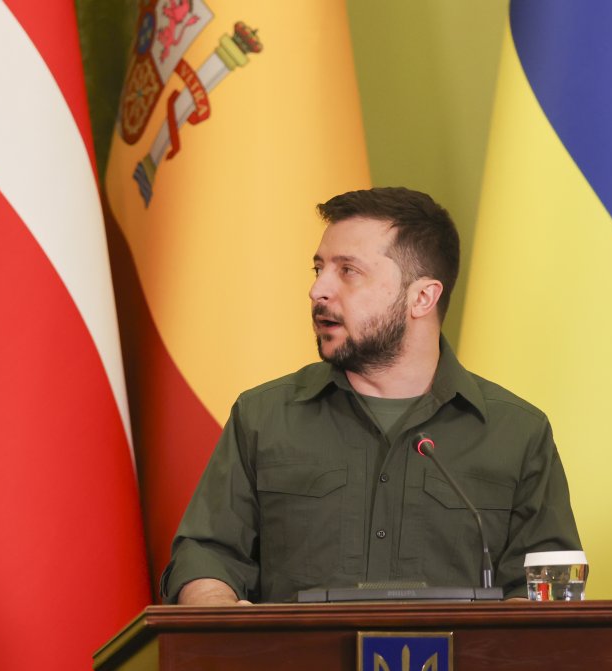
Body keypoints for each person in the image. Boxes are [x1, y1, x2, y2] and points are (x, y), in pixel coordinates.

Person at [161, 187, 580, 604]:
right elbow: (207, 556)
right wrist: (215, 611)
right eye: (319, 268)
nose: (318, 291)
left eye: (347, 271)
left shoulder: (518, 433)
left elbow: (545, 592)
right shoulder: (262, 417)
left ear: (421, 297)